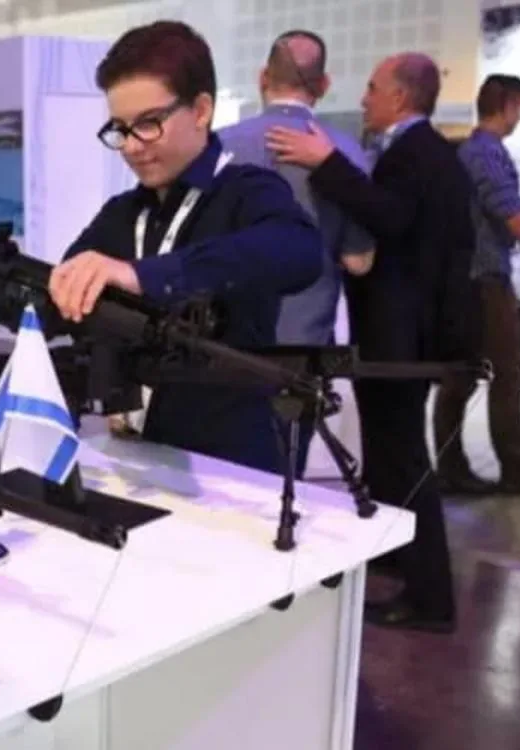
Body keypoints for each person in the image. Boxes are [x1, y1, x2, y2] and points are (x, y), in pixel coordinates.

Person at [43, 21, 323, 474]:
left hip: (230, 462)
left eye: (148, 124)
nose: (131, 147)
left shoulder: (246, 190)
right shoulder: (122, 212)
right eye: (120, 129)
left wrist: (146, 276)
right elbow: (65, 297)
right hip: (135, 456)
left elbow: (299, 251)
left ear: (201, 110)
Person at [267, 53, 480, 632]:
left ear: (401, 96)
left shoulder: (417, 155)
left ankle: (430, 598)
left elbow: (389, 217)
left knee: (403, 455)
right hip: (399, 333)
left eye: (372, 87)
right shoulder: (422, 153)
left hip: (403, 338)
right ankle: (398, 554)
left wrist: (325, 162)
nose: (364, 98)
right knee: (388, 450)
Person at [217, 29, 374, 477]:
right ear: (323, 85)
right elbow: (359, 261)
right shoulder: (347, 154)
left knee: (224, 471)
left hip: (225, 340)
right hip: (304, 345)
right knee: (286, 468)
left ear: (262, 77)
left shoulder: (220, 146)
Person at [433, 74, 520, 495]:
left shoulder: (469, 151)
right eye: (519, 107)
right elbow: (511, 213)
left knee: (461, 374)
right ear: (506, 105)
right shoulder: (487, 152)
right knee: (505, 373)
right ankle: (516, 467)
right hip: (487, 279)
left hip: (469, 278)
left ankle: (452, 467)